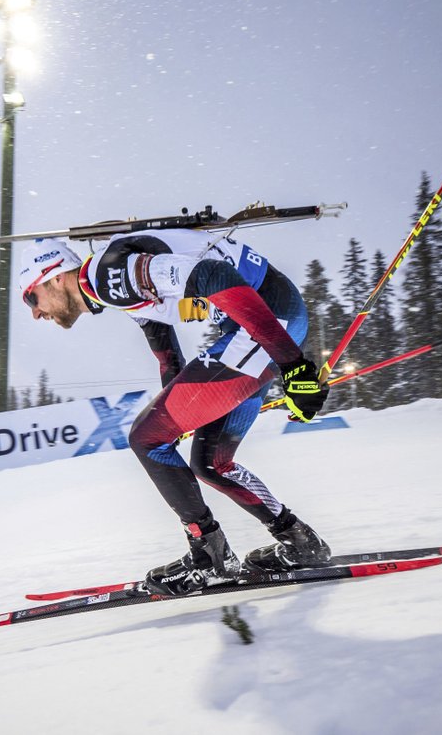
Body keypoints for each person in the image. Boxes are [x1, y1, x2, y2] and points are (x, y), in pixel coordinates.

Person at [17, 229, 331, 595]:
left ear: (55, 277)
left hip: (264, 324)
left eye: (31, 298)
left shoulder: (105, 276)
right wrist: (177, 411)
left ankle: (209, 557)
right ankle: (300, 542)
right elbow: (169, 357)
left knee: (146, 439)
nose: (36, 313)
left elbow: (215, 276)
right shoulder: (112, 279)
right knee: (210, 461)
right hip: (266, 320)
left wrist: (293, 366)